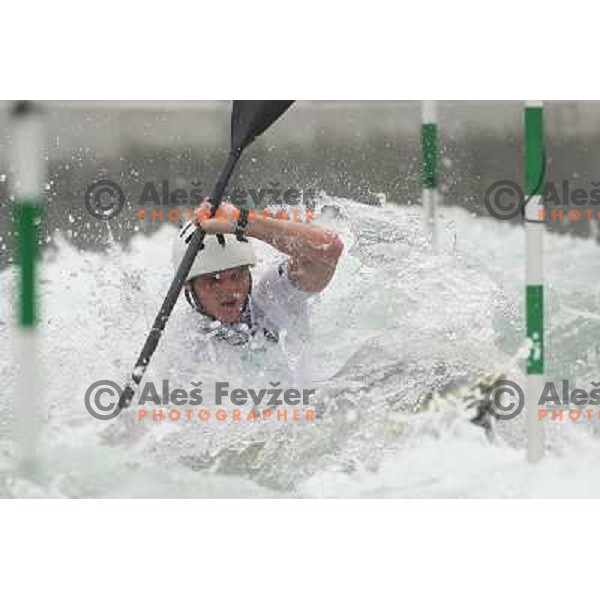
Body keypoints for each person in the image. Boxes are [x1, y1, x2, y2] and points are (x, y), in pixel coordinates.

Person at [169, 200, 343, 374]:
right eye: (213, 281)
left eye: (237, 275)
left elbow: (328, 249)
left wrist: (242, 221)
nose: (230, 289)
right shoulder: (181, 347)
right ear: (188, 286)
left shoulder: (273, 299)